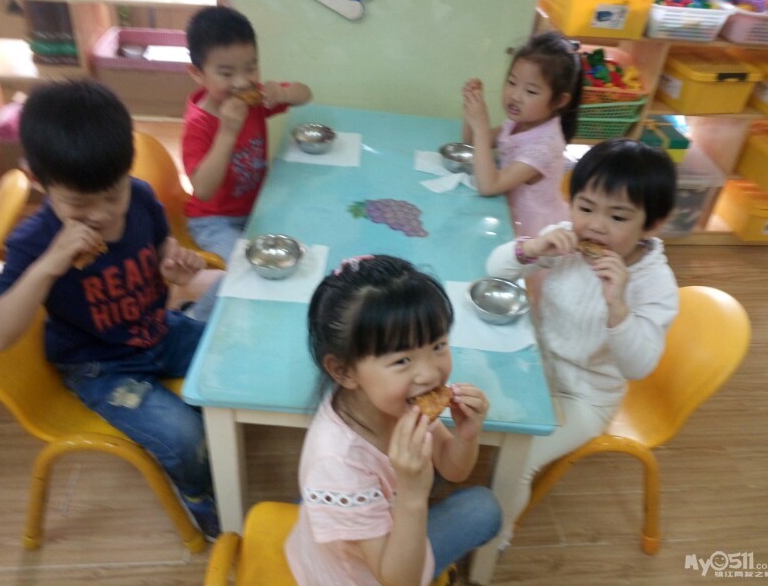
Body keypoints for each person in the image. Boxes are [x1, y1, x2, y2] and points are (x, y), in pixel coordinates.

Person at [0, 80, 219, 539]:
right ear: (38, 181)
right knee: (187, 436)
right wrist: (49, 265)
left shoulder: (140, 197)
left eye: (112, 195)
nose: (101, 215)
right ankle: (197, 494)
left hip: (157, 329)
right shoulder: (33, 242)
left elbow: (161, 245)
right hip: (101, 367)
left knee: (230, 356)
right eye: (78, 204)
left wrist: (173, 261)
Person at [485, 139, 679, 548]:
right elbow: (494, 269)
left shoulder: (655, 284)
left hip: (588, 396)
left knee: (518, 463)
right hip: (534, 362)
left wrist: (618, 307)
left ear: (652, 224)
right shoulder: (566, 240)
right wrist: (533, 248)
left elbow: (638, 366)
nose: (595, 226)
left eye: (618, 216)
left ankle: (494, 540)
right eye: (585, 208)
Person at [285, 255, 502, 586]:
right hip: (363, 576)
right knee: (485, 510)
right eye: (402, 360)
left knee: (481, 504)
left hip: (387, 520)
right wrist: (413, 495)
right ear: (344, 371)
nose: (430, 373)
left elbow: (453, 469)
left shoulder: (398, 402)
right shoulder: (338, 465)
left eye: (438, 345)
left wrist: (467, 434)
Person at [183, 6, 312, 262]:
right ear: (197, 74)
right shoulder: (198, 124)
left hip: (257, 206)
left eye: (250, 68)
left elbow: (305, 94)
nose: (242, 82)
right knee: (244, 268)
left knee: (306, 233)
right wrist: (227, 133)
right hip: (214, 221)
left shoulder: (255, 101)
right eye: (226, 74)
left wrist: (283, 93)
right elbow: (203, 190)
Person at [462, 31, 582, 238]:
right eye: (511, 82)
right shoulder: (519, 122)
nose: (515, 96)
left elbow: (489, 186)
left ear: (560, 101)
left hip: (535, 232)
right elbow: (472, 142)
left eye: (531, 91)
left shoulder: (545, 146)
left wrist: (480, 126)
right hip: (507, 214)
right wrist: (472, 107)